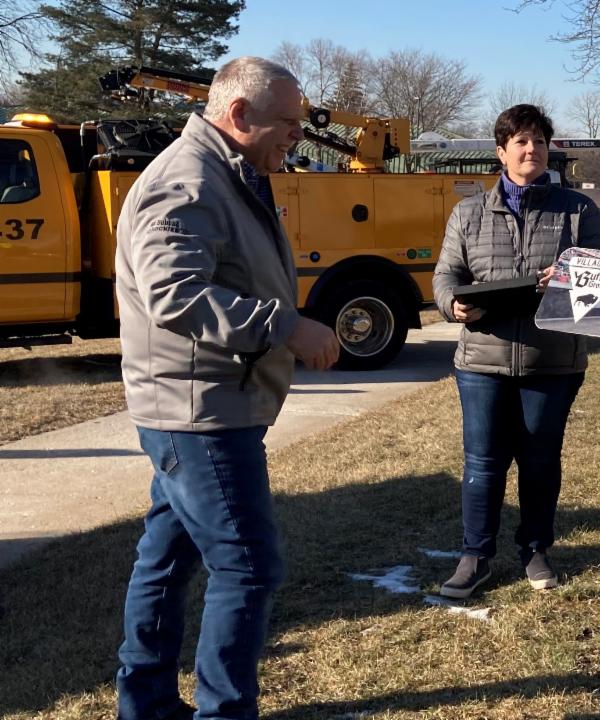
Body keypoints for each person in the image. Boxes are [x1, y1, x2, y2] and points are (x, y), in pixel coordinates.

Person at [114, 57, 340, 720]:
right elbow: (175, 296)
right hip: (201, 413)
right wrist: (285, 326)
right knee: (247, 568)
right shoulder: (186, 184)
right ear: (239, 114)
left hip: (202, 405)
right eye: (289, 125)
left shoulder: (227, 173)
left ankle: (147, 705)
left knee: (166, 558)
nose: (296, 137)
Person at [433, 104, 600, 599]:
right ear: (501, 152)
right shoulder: (469, 212)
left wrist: (575, 276)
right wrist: (453, 304)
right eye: (520, 142)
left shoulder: (578, 211)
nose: (530, 149)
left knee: (539, 461)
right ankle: (475, 557)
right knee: (483, 463)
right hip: (481, 363)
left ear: (548, 149)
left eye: (538, 141)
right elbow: (445, 275)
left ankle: (535, 549)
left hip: (552, 361)